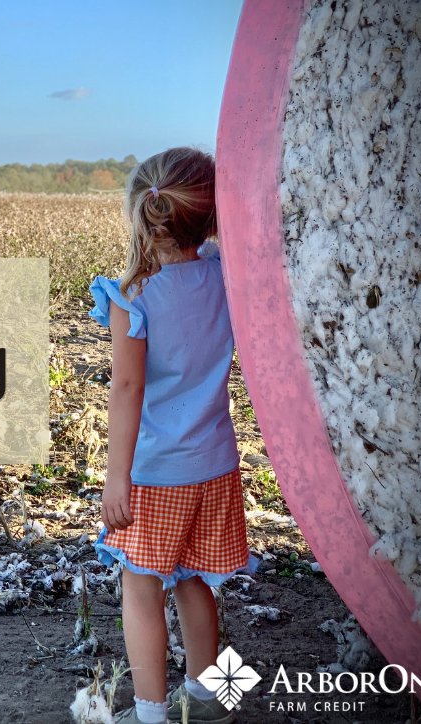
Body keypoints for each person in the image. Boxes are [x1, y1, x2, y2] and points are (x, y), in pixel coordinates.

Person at [87, 147, 258, 724]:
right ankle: (212, 698)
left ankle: (151, 714)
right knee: (194, 579)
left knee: (140, 586)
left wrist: (116, 477)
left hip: (158, 471)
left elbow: (127, 389)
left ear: (141, 212)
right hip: (216, 463)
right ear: (209, 218)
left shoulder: (133, 297)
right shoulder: (222, 274)